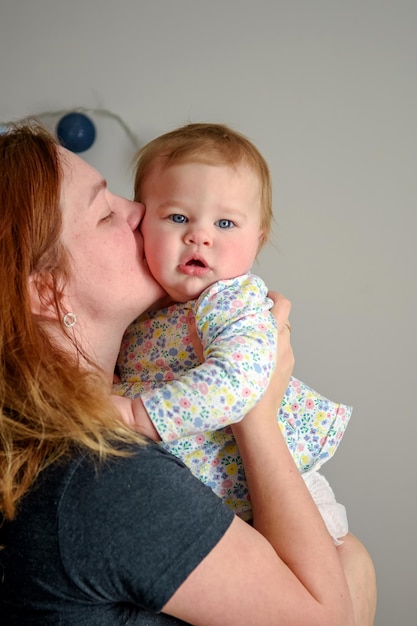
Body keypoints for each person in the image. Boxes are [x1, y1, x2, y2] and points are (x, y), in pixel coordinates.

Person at [0, 121, 376, 625]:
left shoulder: (70, 446)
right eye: (106, 212)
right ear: (46, 291)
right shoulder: (100, 477)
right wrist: (259, 413)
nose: (138, 212)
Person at [114, 123, 350, 541]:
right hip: (220, 504)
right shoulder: (146, 310)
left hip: (288, 496)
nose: (199, 236)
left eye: (225, 224)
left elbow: (236, 381)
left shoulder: (231, 300)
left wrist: (138, 414)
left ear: (256, 242)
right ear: (140, 225)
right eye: (178, 217)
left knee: (317, 592)